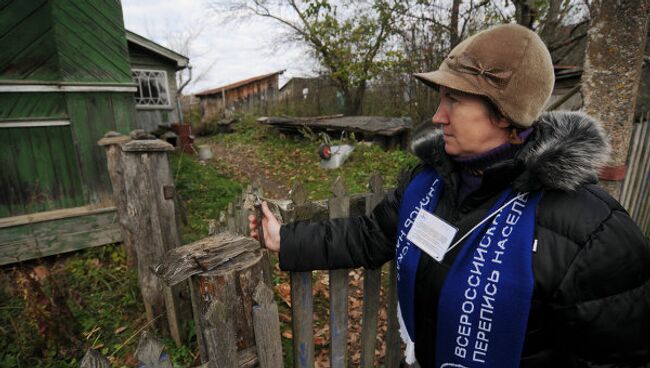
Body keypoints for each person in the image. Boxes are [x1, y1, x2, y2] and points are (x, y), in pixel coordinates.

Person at [250, 23, 650, 367]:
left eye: (454, 100)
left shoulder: (592, 232)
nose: (438, 116)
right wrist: (284, 238)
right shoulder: (429, 182)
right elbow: (373, 234)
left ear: (505, 113)